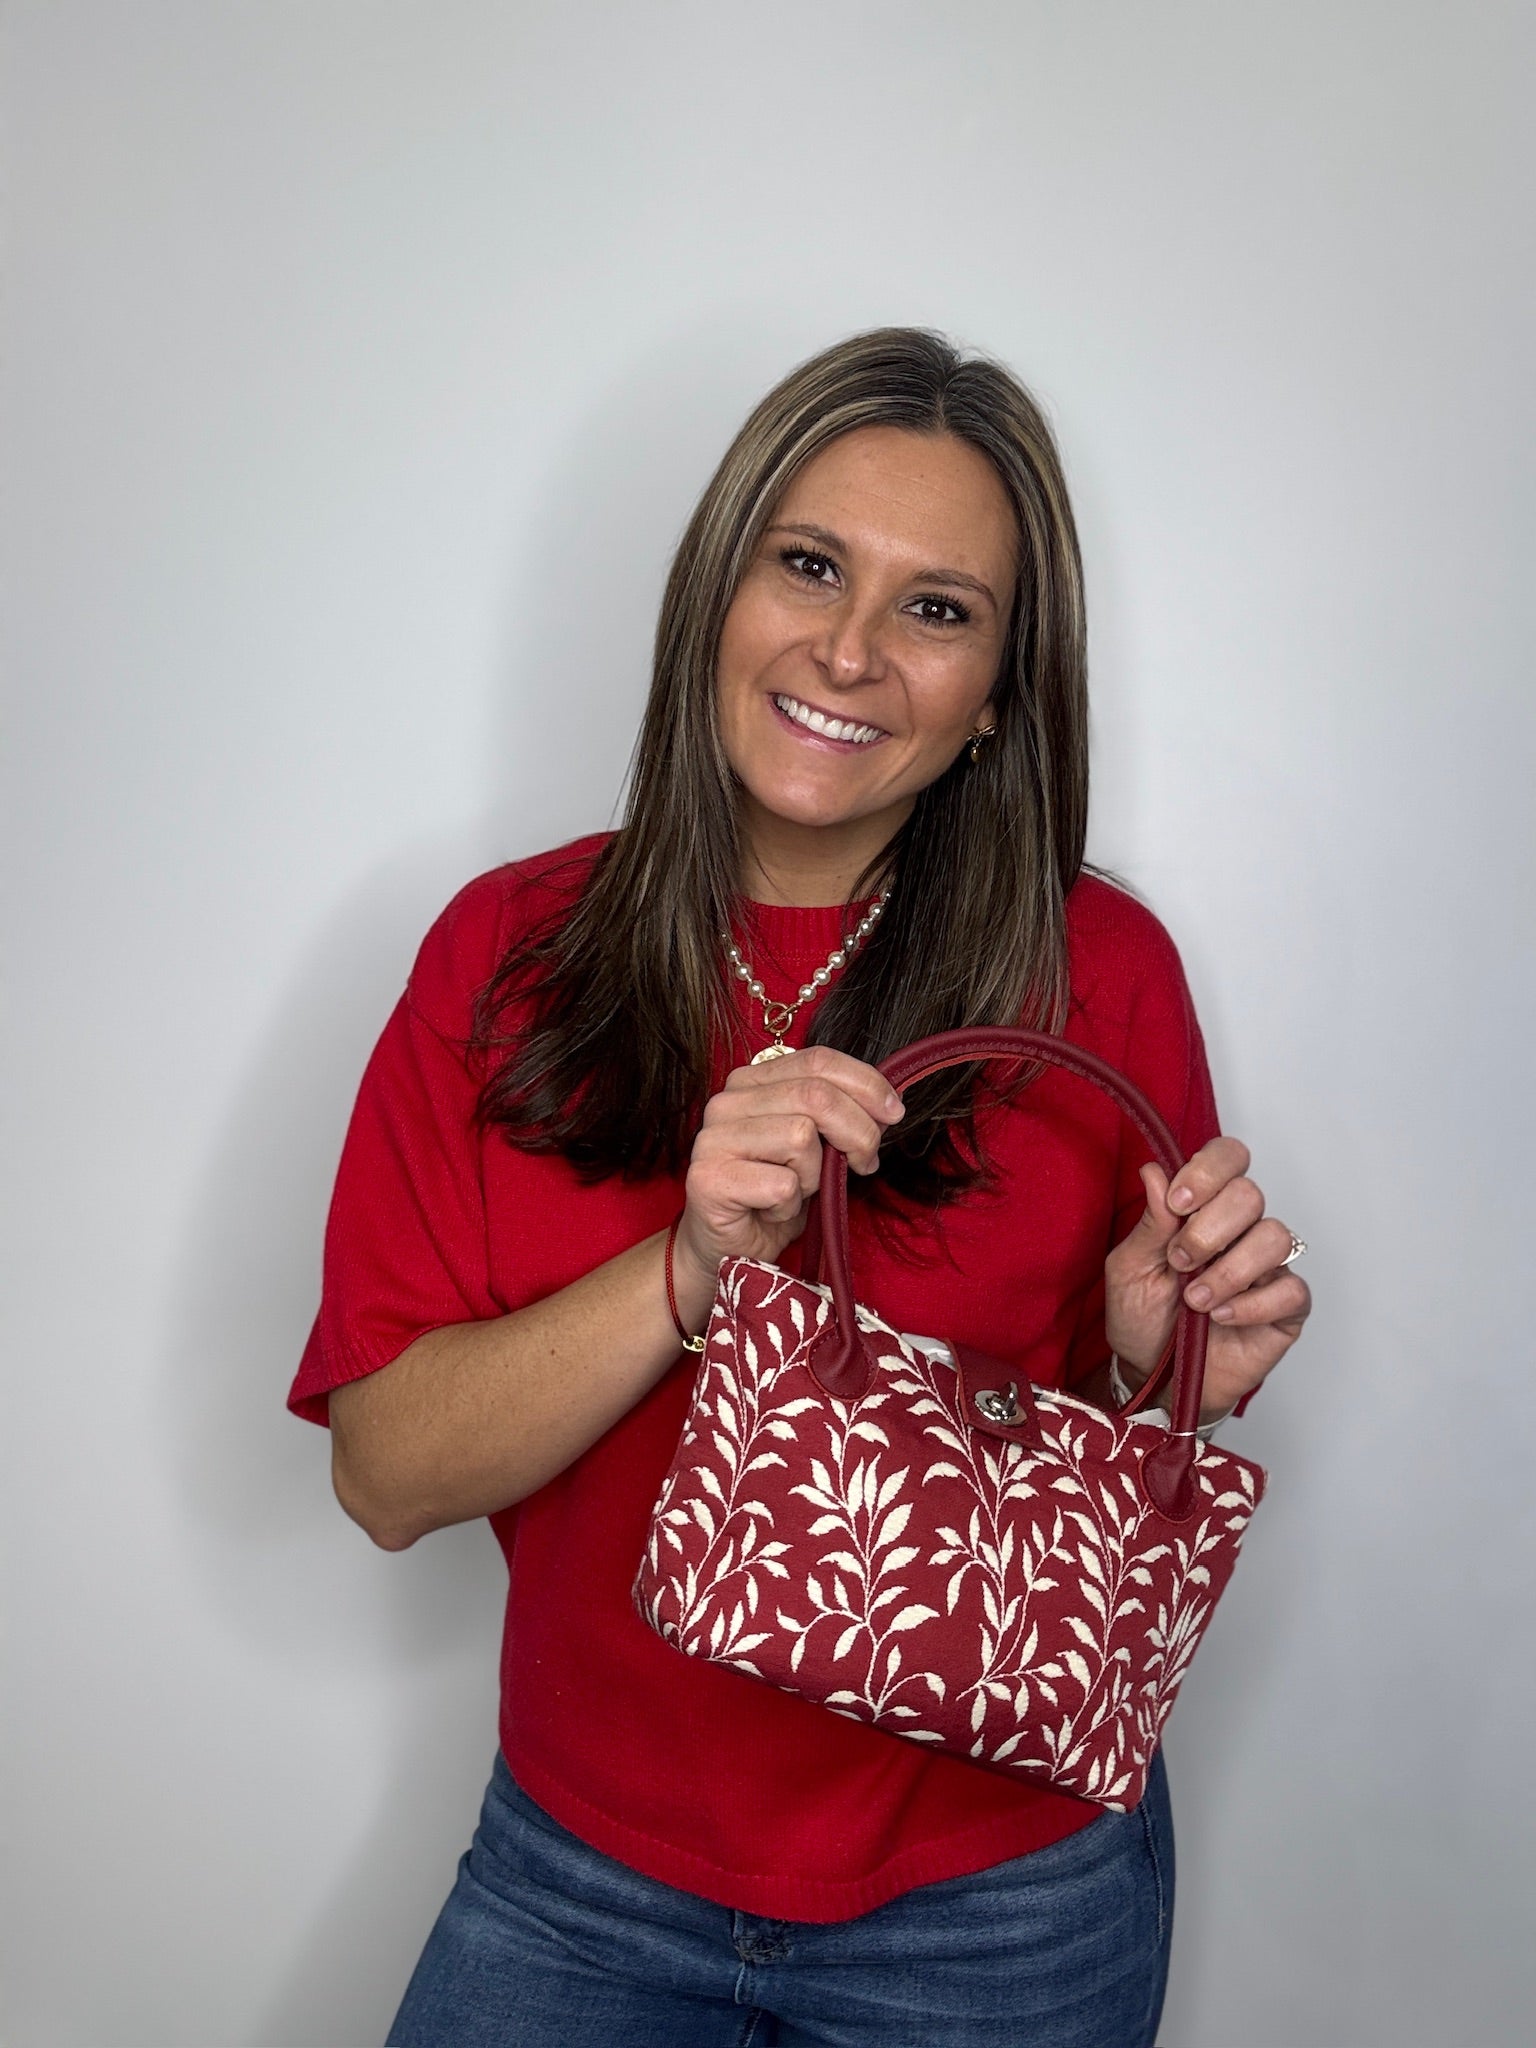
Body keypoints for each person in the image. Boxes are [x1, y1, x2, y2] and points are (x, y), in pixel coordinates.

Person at [288, 327, 1311, 2048]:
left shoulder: (1101, 971)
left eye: (938, 608)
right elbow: (386, 1480)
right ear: (718, 589)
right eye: (812, 564)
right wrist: (690, 1269)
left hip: (1003, 1906)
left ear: (1000, 695)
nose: (849, 649)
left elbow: (1099, 1490)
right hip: (580, 1874)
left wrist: (1158, 1367)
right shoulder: (503, 954)